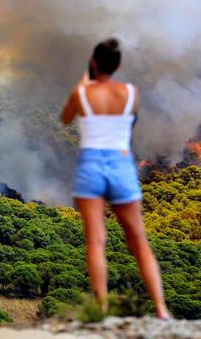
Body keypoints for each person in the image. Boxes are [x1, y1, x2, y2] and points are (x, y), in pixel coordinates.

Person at [60, 38, 169, 319]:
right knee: (139, 241)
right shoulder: (130, 93)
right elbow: (130, 120)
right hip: (120, 165)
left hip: (90, 166)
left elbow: (65, 119)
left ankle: (102, 310)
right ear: (118, 65)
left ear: (94, 64)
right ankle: (160, 309)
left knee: (96, 241)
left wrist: (86, 80)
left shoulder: (80, 93)